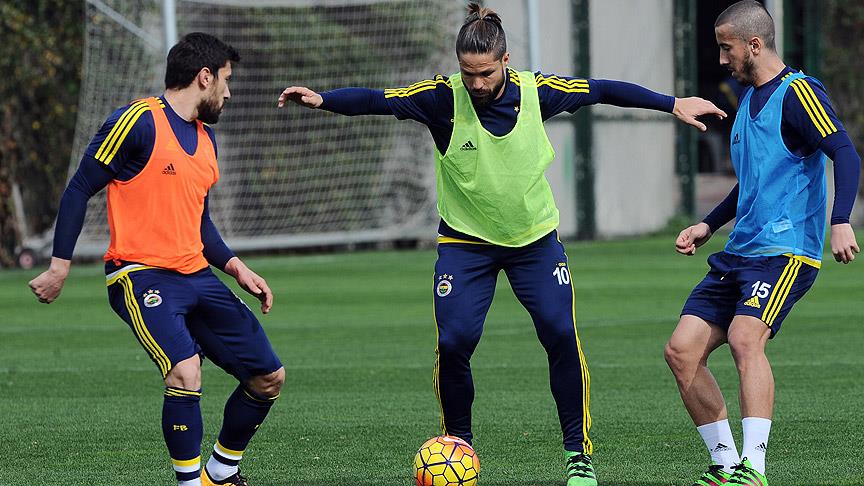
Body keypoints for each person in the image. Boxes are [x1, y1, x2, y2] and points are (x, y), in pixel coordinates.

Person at [278, 4, 724, 485]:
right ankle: (457, 445)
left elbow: (601, 89)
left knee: (560, 334)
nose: (476, 83)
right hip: (464, 244)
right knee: (453, 342)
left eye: (485, 73)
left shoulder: (537, 91)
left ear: (505, 61)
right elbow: (377, 99)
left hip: (534, 242)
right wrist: (322, 100)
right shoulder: (441, 98)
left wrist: (671, 103)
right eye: (467, 72)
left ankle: (578, 455)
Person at [28, 33, 284, 486]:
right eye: (226, 80)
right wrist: (59, 265)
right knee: (186, 372)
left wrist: (236, 267)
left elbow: (200, 223)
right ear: (204, 77)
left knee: (269, 377)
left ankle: (221, 472)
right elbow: (79, 187)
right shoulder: (138, 121)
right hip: (139, 274)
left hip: (197, 276)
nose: (228, 93)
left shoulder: (207, 141)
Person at [666, 2, 861, 485]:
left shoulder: (798, 93)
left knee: (744, 338)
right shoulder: (748, 101)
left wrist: (841, 220)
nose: (721, 59)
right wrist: (708, 225)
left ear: (754, 45)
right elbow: (753, 182)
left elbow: (844, 151)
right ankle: (725, 464)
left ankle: (754, 468)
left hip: (785, 252)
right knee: (681, 351)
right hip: (739, 253)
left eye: (726, 48)